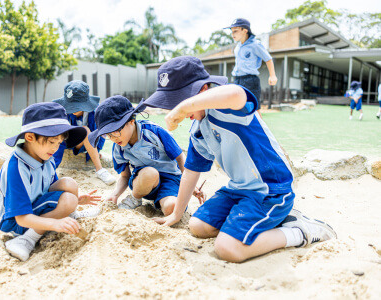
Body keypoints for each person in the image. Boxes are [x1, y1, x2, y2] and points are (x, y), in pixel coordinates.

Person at [143, 56, 336, 263]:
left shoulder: (227, 109)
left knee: (227, 248)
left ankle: (299, 231)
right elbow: (191, 171)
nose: (174, 110)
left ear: (203, 90)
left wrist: (183, 108)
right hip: (239, 189)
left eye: (178, 102)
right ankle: (268, 221)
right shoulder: (198, 130)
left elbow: (235, 92)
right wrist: (176, 214)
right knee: (198, 225)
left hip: (270, 190)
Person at [0, 102, 101, 261]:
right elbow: (20, 218)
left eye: (59, 143)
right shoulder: (16, 168)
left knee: (69, 184)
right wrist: (55, 224)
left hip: (37, 207)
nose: (55, 148)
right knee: (67, 200)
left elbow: (53, 190)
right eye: (52, 142)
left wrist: (76, 201)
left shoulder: (46, 157)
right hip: (20, 223)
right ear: (30, 137)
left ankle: (72, 215)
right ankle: (27, 239)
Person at [88, 95, 204, 214]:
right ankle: (135, 199)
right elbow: (124, 176)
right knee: (150, 173)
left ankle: (163, 200)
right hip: (143, 183)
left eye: (115, 132)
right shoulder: (118, 147)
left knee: (171, 208)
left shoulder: (154, 132)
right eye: (108, 135)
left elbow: (180, 157)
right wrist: (115, 194)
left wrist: (190, 184)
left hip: (171, 179)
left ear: (131, 121)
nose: (113, 138)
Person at [52, 80, 116, 185]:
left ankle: (100, 170)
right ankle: (50, 170)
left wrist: (97, 150)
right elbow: (57, 135)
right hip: (65, 141)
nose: (74, 109)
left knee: (85, 130)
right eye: (71, 105)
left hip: (86, 143)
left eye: (77, 105)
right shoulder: (61, 112)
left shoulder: (96, 112)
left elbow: (101, 134)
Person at [224, 18, 277, 112]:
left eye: (235, 31)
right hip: (237, 79)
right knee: (237, 107)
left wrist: (272, 76)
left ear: (245, 30)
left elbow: (268, 59)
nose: (233, 35)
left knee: (255, 109)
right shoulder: (238, 46)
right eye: (232, 32)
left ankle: (260, 127)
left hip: (250, 80)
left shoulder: (255, 44)